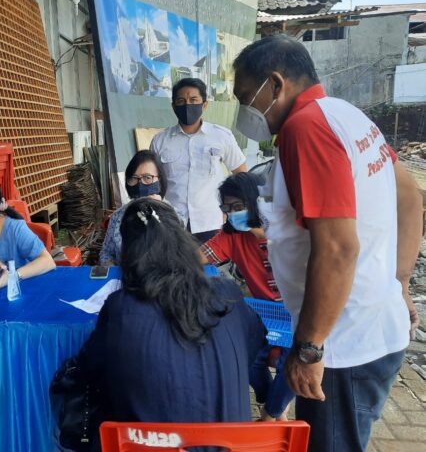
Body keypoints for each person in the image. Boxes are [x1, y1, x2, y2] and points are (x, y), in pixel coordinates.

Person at [232, 34, 423, 452]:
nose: (244, 110)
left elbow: (337, 249)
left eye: (245, 97)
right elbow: (409, 197)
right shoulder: (347, 115)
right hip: (376, 326)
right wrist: (400, 283)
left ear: (275, 84)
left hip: (343, 344)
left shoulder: (305, 128)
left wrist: (309, 350)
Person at [75, 198, 267, 443]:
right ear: (183, 242)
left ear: (130, 253)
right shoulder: (228, 294)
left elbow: (90, 369)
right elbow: (254, 348)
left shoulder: (120, 307)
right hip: (232, 445)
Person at [198, 172, 294, 422]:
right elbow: (196, 256)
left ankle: (270, 415)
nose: (232, 214)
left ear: (256, 201)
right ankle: (270, 405)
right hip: (264, 313)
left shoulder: (288, 231)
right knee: (246, 357)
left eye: (238, 206)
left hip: (298, 314)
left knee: (292, 363)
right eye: (227, 208)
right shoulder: (232, 237)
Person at [151, 78, 247, 243]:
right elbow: (153, 181)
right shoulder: (160, 141)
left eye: (193, 100)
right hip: (171, 223)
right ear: (173, 106)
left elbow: (241, 174)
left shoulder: (221, 136)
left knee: (209, 261)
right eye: (181, 101)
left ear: (204, 104)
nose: (187, 105)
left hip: (211, 221)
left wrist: (231, 208)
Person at [99, 150, 169, 266]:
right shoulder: (118, 216)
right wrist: (112, 268)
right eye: (134, 178)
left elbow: (177, 256)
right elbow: (106, 253)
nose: (140, 184)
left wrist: (160, 211)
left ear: (160, 180)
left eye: (147, 177)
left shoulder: (173, 215)